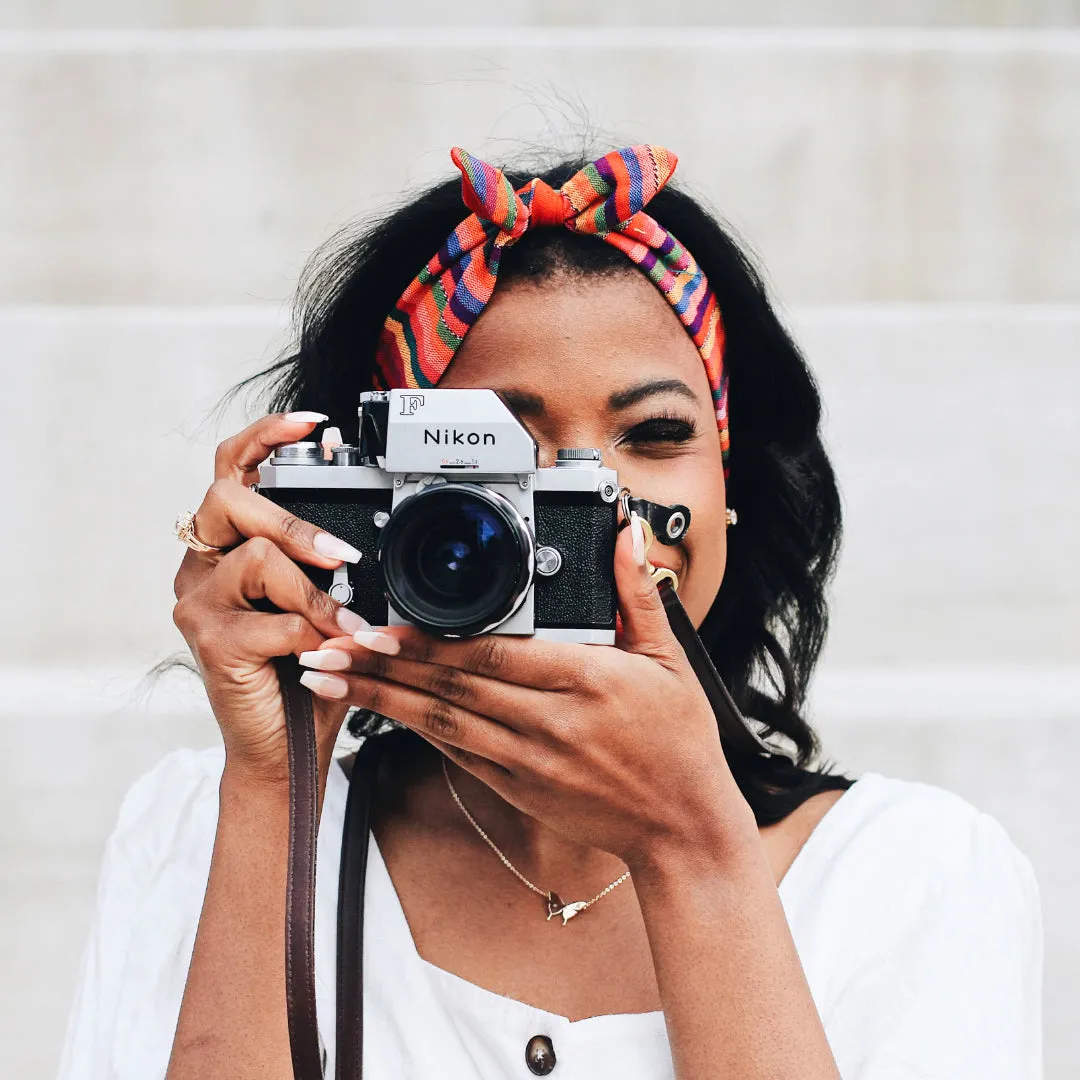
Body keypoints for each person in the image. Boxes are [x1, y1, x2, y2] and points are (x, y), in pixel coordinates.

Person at [59, 146, 1042, 1080]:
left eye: (653, 435)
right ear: (369, 500)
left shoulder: (917, 874)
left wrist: (689, 845)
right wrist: (277, 786)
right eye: (498, 454)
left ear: (734, 485)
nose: (599, 508)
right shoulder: (206, 824)